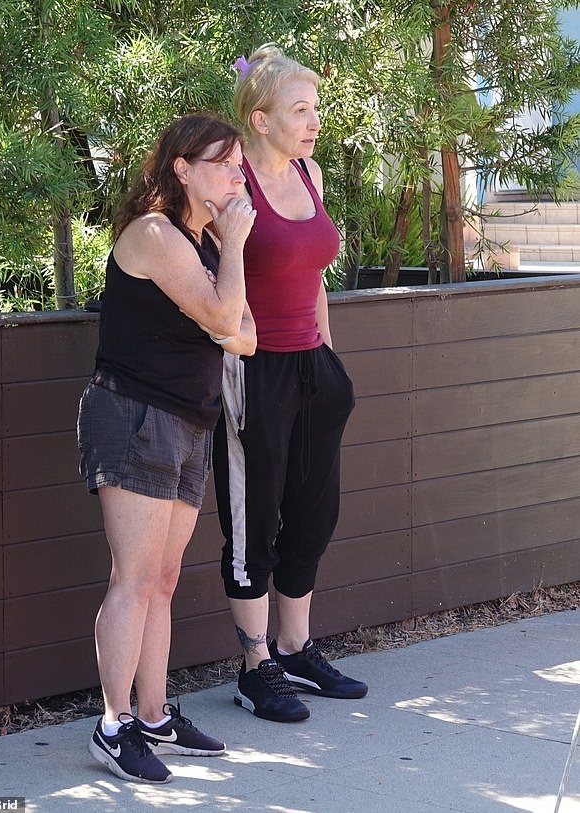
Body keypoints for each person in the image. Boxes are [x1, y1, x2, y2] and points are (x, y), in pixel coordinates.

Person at [77, 113, 257, 782]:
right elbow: (221, 318)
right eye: (226, 162)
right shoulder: (156, 234)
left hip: (188, 419)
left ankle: (152, 715)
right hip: (134, 413)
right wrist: (232, 256)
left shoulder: (204, 240)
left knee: (163, 578)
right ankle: (112, 724)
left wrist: (225, 291)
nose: (239, 175)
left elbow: (248, 336)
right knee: (133, 576)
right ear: (183, 167)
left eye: (241, 163)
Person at [212, 45, 367, 724]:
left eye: (316, 109)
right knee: (252, 525)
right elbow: (211, 282)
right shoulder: (230, 183)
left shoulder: (311, 174)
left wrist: (327, 356)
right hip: (252, 368)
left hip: (312, 367)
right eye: (300, 110)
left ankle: (295, 647)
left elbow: (315, 275)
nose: (313, 122)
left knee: (314, 512)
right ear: (261, 117)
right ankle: (254, 666)